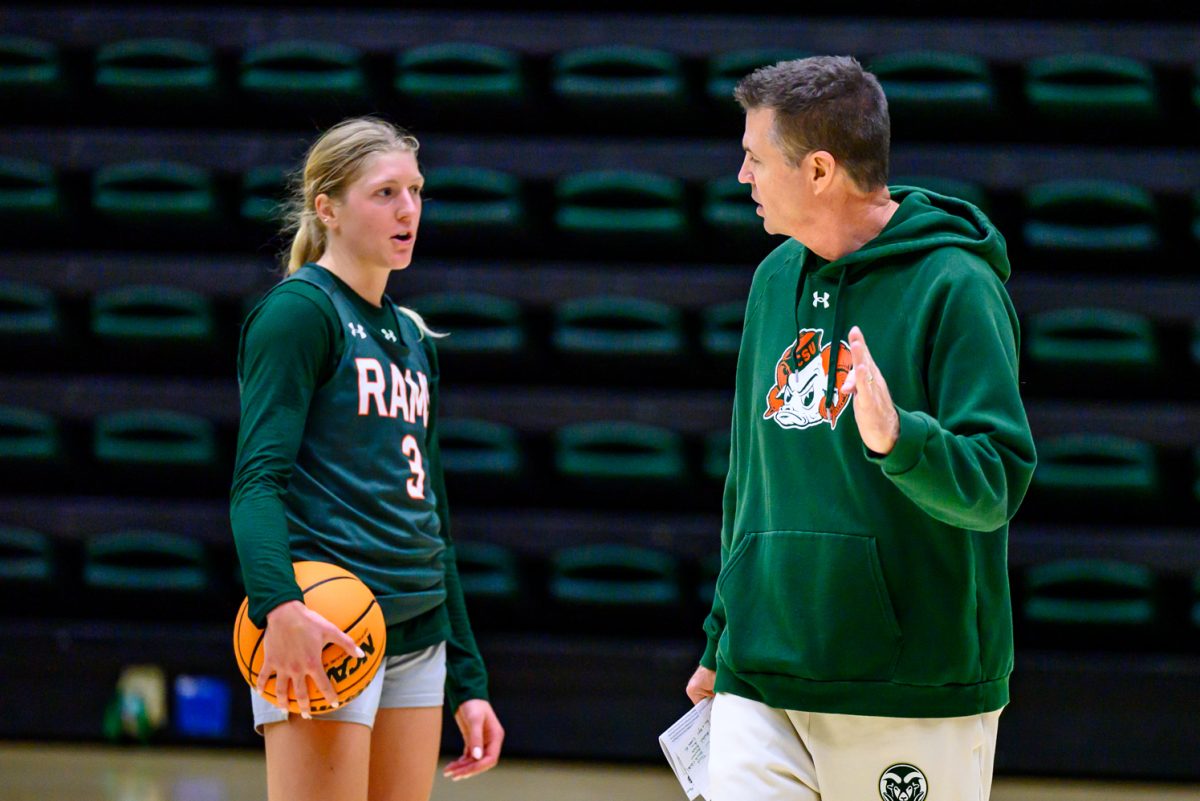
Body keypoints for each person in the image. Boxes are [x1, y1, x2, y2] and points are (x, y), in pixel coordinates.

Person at [685, 56, 1036, 801]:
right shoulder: (773, 278)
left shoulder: (957, 285)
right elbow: (749, 481)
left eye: (753, 158)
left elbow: (996, 483)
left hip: (910, 687)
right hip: (762, 670)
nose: (742, 177)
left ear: (817, 169)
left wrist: (900, 441)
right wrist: (723, 636)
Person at [230, 116, 504, 801]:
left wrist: (469, 680)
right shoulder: (300, 315)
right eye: (385, 193)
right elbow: (256, 481)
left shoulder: (412, 336)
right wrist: (279, 607)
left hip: (418, 629)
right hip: (328, 621)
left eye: (415, 190)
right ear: (327, 207)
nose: (409, 209)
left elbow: (431, 510)